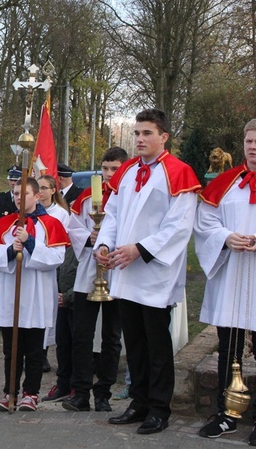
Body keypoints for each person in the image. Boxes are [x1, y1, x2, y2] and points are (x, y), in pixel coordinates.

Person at [95, 109, 200, 434]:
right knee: (135, 342)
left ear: (164, 136)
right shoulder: (126, 170)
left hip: (154, 272)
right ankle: (138, 401)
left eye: (146, 133)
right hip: (124, 270)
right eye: (137, 133)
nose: (139, 139)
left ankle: (158, 407)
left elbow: (179, 227)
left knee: (156, 344)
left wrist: (140, 249)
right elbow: (111, 213)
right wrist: (104, 243)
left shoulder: (179, 172)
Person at [194, 118, 256, 442]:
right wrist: (227, 237)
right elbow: (205, 222)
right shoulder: (227, 182)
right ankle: (226, 415)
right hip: (232, 274)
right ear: (243, 144)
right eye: (249, 141)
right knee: (229, 352)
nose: (253, 147)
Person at [0, 176, 69, 412]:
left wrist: (30, 242)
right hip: (10, 292)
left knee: (34, 349)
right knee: (11, 349)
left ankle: (31, 393)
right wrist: (10, 251)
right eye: (14, 194)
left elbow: (56, 258)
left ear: (37, 196)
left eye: (23, 194)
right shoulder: (4, 224)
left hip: (36, 292)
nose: (17, 198)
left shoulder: (50, 224)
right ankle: (9, 392)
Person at [62, 146, 128, 414]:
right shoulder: (88, 196)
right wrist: (88, 239)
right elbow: (73, 226)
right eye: (105, 168)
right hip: (89, 267)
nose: (109, 174)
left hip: (117, 268)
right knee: (82, 334)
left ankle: (104, 393)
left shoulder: (128, 196)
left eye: (114, 169)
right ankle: (81, 392)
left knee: (112, 335)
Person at [35, 173, 74, 395]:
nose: (40, 191)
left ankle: (45, 352)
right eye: (37, 187)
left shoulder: (60, 214)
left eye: (44, 187)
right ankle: (38, 352)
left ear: (52, 190)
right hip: (37, 262)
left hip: (56, 266)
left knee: (52, 312)